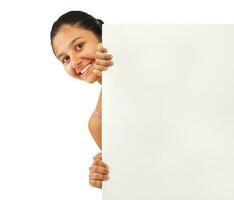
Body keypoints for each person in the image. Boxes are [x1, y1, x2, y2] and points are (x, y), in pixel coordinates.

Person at [50, 10, 113, 189]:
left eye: (79, 46)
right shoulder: (97, 124)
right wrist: (107, 178)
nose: (75, 62)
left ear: (103, 36)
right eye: (65, 59)